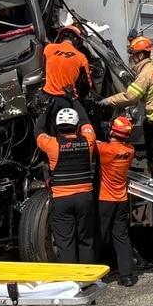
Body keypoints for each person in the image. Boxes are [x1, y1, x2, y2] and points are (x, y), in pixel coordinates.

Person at [100, 36, 153, 186]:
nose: (132, 59)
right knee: (148, 131)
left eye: (133, 55)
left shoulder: (145, 74)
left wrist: (108, 101)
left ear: (140, 55)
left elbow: (131, 97)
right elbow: (149, 52)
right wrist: (132, 40)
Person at [34, 106, 98, 264]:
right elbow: (86, 121)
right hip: (84, 198)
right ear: (77, 127)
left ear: (57, 128)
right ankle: (87, 279)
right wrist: (75, 101)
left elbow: (37, 130)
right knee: (86, 240)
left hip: (61, 200)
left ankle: (72, 282)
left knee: (65, 243)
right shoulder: (88, 140)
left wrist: (46, 110)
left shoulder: (51, 144)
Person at [97, 114, 138, 287]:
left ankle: (96, 271)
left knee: (98, 236)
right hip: (121, 199)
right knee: (121, 237)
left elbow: (91, 142)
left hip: (105, 200)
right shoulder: (130, 151)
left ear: (112, 131)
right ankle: (127, 276)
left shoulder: (105, 150)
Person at [41, 24, 93, 130]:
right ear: (76, 39)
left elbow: (44, 69)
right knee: (68, 134)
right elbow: (87, 85)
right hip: (67, 101)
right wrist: (77, 99)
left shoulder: (48, 49)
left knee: (49, 132)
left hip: (47, 100)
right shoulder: (81, 57)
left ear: (61, 37)